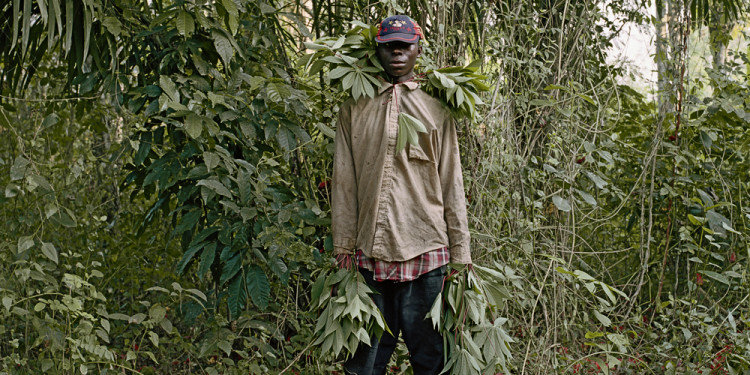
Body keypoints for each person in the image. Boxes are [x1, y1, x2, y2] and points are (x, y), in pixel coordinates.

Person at [331, 15, 472, 375]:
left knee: (432, 360)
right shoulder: (355, 107)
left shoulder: (436, 108)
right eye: (389, 44)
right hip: (368, 255)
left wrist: (461, 253)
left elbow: (451, 180)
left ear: (417, 50)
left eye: (404, 45)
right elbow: (344, 181)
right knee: (363, 363)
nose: (397, 51)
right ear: (376, 49)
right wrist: (342, 246)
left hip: (425, 251)